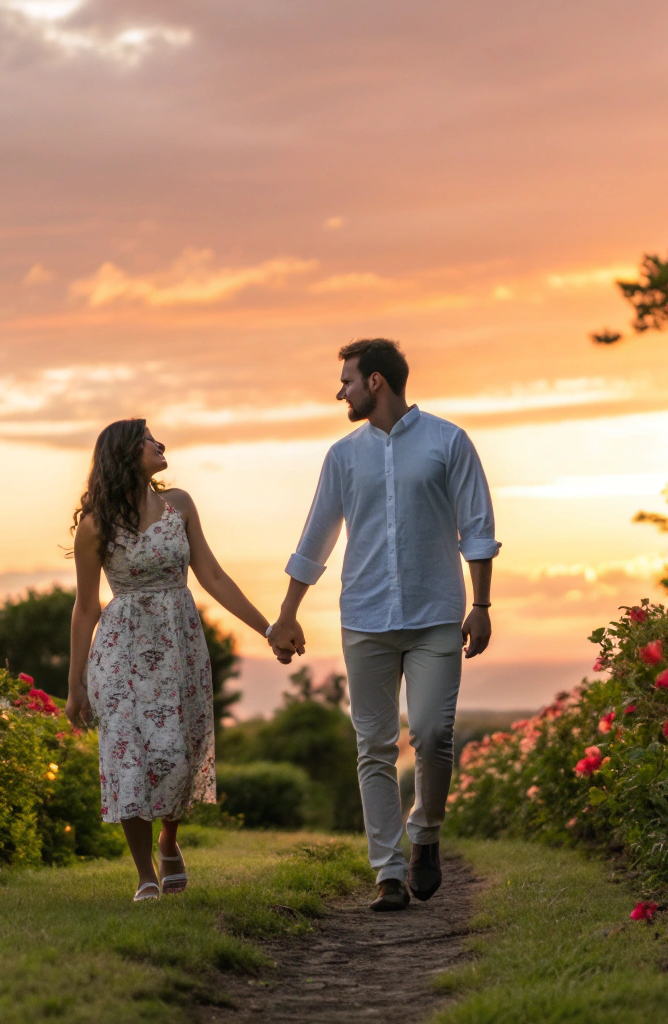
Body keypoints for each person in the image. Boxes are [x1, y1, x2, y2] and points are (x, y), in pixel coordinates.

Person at [269, 339, 499, 912]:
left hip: (436, 615)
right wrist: (288, 612)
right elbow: (316, 537)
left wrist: (482, 604)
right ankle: (388, 872)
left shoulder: (448, 442)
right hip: (365, 618)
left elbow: (477, 527)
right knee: (374, 745)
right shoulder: (343, 457)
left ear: (375, 381)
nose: (340, 392)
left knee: (433, 733)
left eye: (346, 381)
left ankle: (426, 834)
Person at [65, 418, 273, 903]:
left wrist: (267, 629)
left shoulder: (180, 505)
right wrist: (76, 683)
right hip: (119, 652)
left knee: (177, 755)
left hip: (177, 647)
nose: (160, 444)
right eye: (148, 439)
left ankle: (169, 841)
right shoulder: (95, 525)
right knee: (128, 758)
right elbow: (86, 606)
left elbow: (213, 576)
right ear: (124, 452)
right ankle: (144, 875)